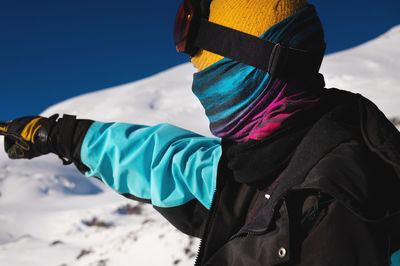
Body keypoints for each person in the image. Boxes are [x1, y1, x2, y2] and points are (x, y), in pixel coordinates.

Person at [1, 0, 400, 265]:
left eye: (210, 72)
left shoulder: (342, 208)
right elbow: (164, 161)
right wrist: (59, 135)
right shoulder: (267, 155)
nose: (199, 87)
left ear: (260, 68)